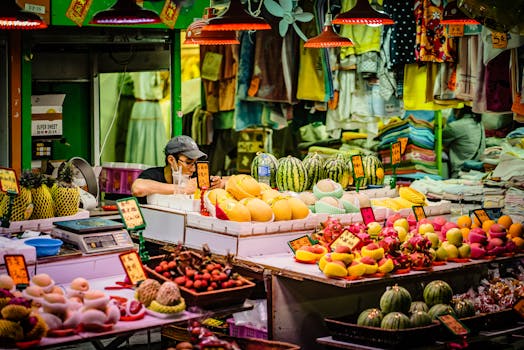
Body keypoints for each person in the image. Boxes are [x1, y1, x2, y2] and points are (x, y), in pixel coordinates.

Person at [131, 135, 225, 200]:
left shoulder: (194, 175)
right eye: (188, 163)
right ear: (171, 160)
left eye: (195, 163)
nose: (193, 169)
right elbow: (137, 188)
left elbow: (226, 182)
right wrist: (182, 189)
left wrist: (216, 183)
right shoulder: (153, 175)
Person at [442, 106, 486, 178]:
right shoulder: (479, 123)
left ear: (459, 109)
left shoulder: (456, 126)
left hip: (459, 173)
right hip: (475, 172)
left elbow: (438, 140)